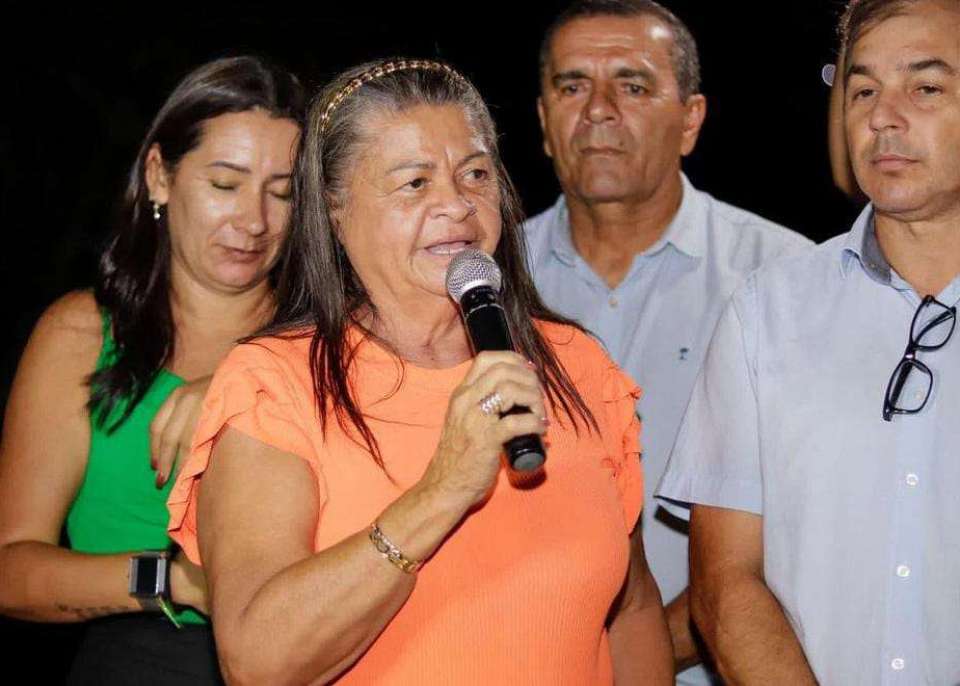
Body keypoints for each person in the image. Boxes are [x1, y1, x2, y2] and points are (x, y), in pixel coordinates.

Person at [166, 57, 674, 685]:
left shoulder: (576, 364)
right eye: (414, 183)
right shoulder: (275, 386)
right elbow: (259, 664)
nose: (457, 205)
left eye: (475, 174)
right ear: (334, 208)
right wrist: (442, 490)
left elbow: (633, 610)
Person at [657, 0, 960, 683]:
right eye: (863, 91)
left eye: (925, 87)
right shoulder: (767, 312)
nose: (883, 117)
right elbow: (726, 582)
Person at [522, 1, 811, 681]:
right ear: (543, 120)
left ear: (691, 120)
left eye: (632, 85)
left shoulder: (783, 282)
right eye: (572, 85)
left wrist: (631, 656)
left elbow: (808, 525)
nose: (598, 110)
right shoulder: (482, 289)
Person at [0, 56, 304, 684]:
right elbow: (11, 571)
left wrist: (242, 384)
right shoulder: (83, 334)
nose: (254, 221)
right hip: (136, 658)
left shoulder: (324, 343)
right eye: (225, 184)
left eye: (282, 193)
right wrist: (172, 580)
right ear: (160, 176)